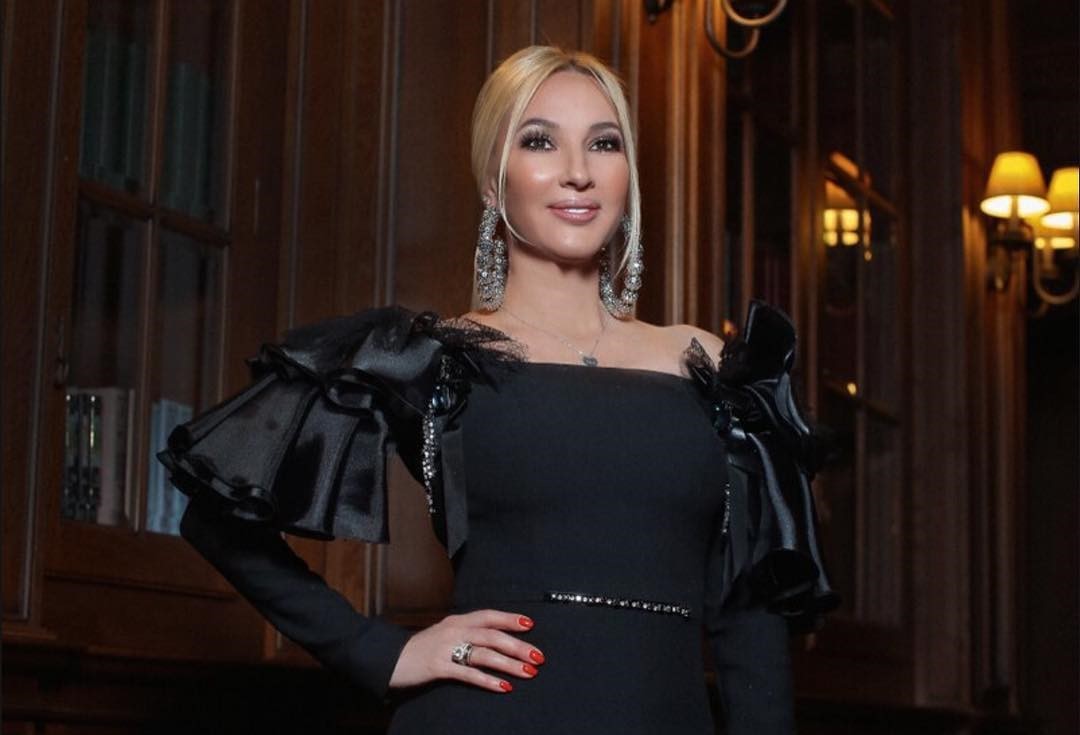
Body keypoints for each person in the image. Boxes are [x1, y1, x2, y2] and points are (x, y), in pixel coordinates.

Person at [160, 46, 837, 734]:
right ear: (493, 180)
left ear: (628, 175)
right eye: (539, 141)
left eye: (604, 144)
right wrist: (383, 652)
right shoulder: (433, 360)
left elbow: (752, 624)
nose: (578, 171)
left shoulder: (714, 370)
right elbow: (216, 516)